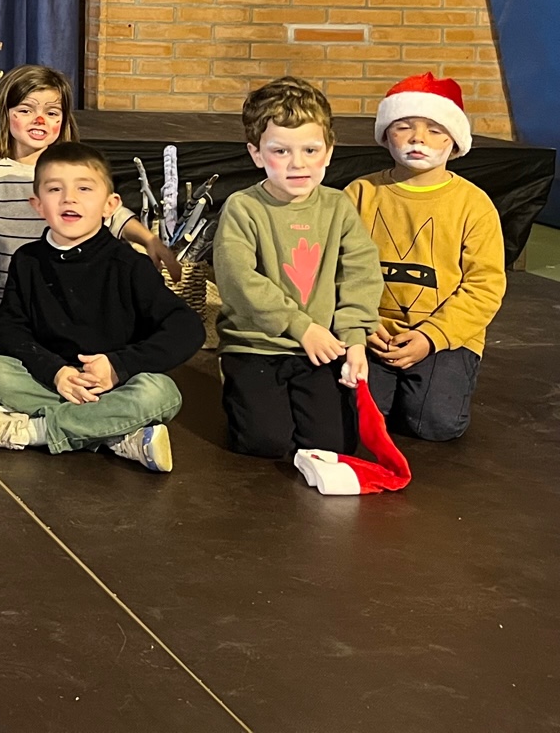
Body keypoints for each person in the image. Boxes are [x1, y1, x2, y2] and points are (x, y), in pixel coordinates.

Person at [0, 142, 203, 471]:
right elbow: (10, 328)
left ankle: (37, 431)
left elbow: (187, 327)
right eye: (54, 189)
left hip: (116, 386)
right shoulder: (27, 261)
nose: (69, 199)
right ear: (37, 204)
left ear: (110, 205)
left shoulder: (129, 264)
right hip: (54, 381)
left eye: (84, 189)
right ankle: (115, 436)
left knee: (161, 392)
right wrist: (56, 372)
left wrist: (117, 366)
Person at [0, 64, 175, 364]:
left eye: (51, 112)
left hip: (63, 300)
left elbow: (110, 213)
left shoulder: (74, 173)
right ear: (5, 113)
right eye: (26, 110)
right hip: (7, 304)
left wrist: (149, 239)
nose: (40, 120)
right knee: (7, 355)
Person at [213, 76, 382, 459]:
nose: (298, 163)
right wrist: (301, 327)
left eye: (310, 149)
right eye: (281, 151)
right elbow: (239, 280)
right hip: (257, 347)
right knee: (265, 443)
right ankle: (239, 388)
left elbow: (360, 273)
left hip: (321, 349)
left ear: (329, 152)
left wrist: (355, 339)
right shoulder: (243, 208)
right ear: (257, 154)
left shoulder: (338, 207)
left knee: (333, 445)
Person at [346, 72, 506, 442]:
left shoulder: (474, 205)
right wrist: (360, 321)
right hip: (371, 331)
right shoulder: (359, 194)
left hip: (444, 336)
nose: (418, 138)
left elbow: (484, 286)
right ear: (385, 135)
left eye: (435, 130)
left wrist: (431, 337)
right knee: (353, 416)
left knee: (433, 424)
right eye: (404, 127)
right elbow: (335, 269)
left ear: (455, 141)